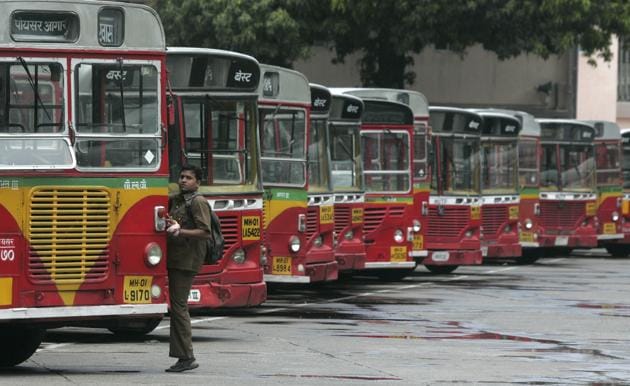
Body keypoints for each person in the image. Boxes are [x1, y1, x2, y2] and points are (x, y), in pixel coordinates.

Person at [164, 164, 211, 372]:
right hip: (176, 258)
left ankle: (186, 356)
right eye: (181, 177)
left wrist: (179, 231)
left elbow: (205, 231)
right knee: (177, 306)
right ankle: (183, 355)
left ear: (197, 182)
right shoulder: (179, 200)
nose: (183, 180)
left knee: (179, 306)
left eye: (189, 178)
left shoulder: (198, 201)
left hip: (187, 260)